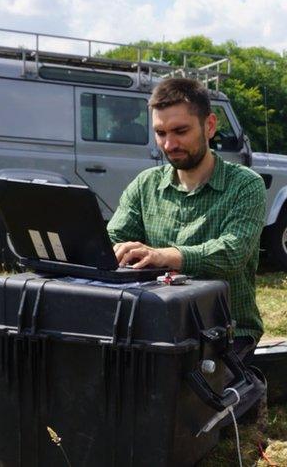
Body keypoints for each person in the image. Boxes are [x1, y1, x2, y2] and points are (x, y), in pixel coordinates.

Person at [107, 77, 266, 356]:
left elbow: (233, 252)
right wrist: (110, 250)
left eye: (180, 131)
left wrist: (164, 256)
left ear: (210, 126)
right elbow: (114, 239)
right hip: (152, 325)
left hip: (226, 331)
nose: (169, 144)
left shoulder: (245, 185)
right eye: (160, 133)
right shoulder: (145, 185)